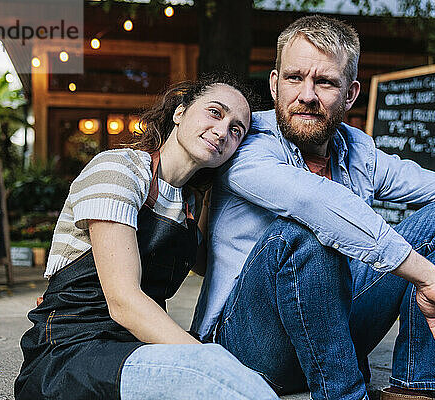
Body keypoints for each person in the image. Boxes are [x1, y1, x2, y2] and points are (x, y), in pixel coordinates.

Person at [192, 15, 435, 400]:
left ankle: (418, 389)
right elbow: (317, 203)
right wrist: (428, 278)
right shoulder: (245, 141)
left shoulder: (359, 150)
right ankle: (345, 395)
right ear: (275, 85)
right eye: (294, 78)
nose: (307, 95)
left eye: (325, 82)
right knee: (301, 232)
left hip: (332, 326)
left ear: (351, 94)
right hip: (249, 347)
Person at [14, 76, 279, 400]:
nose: (223, 131)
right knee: (211, 375)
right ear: (180, 112)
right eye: (214, 112)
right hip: (68, 355)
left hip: (134, 349)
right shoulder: (119, 169)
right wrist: (207, 358)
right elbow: (124, 302)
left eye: (237, 129)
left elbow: (216, 266)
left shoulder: (190, 204)